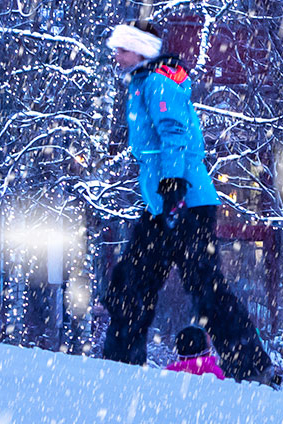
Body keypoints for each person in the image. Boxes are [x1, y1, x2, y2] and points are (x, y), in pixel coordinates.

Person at [98, 24, 273, 385]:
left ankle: (251, 365)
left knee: (201, 287)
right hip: (163, 203)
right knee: (132, 282)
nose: (116, 57)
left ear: (141, 51)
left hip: (183, 201)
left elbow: (174, 132)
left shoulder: (157, 83)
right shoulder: (142, 82)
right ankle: (120, 363)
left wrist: (173, 185)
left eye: (122, 50)